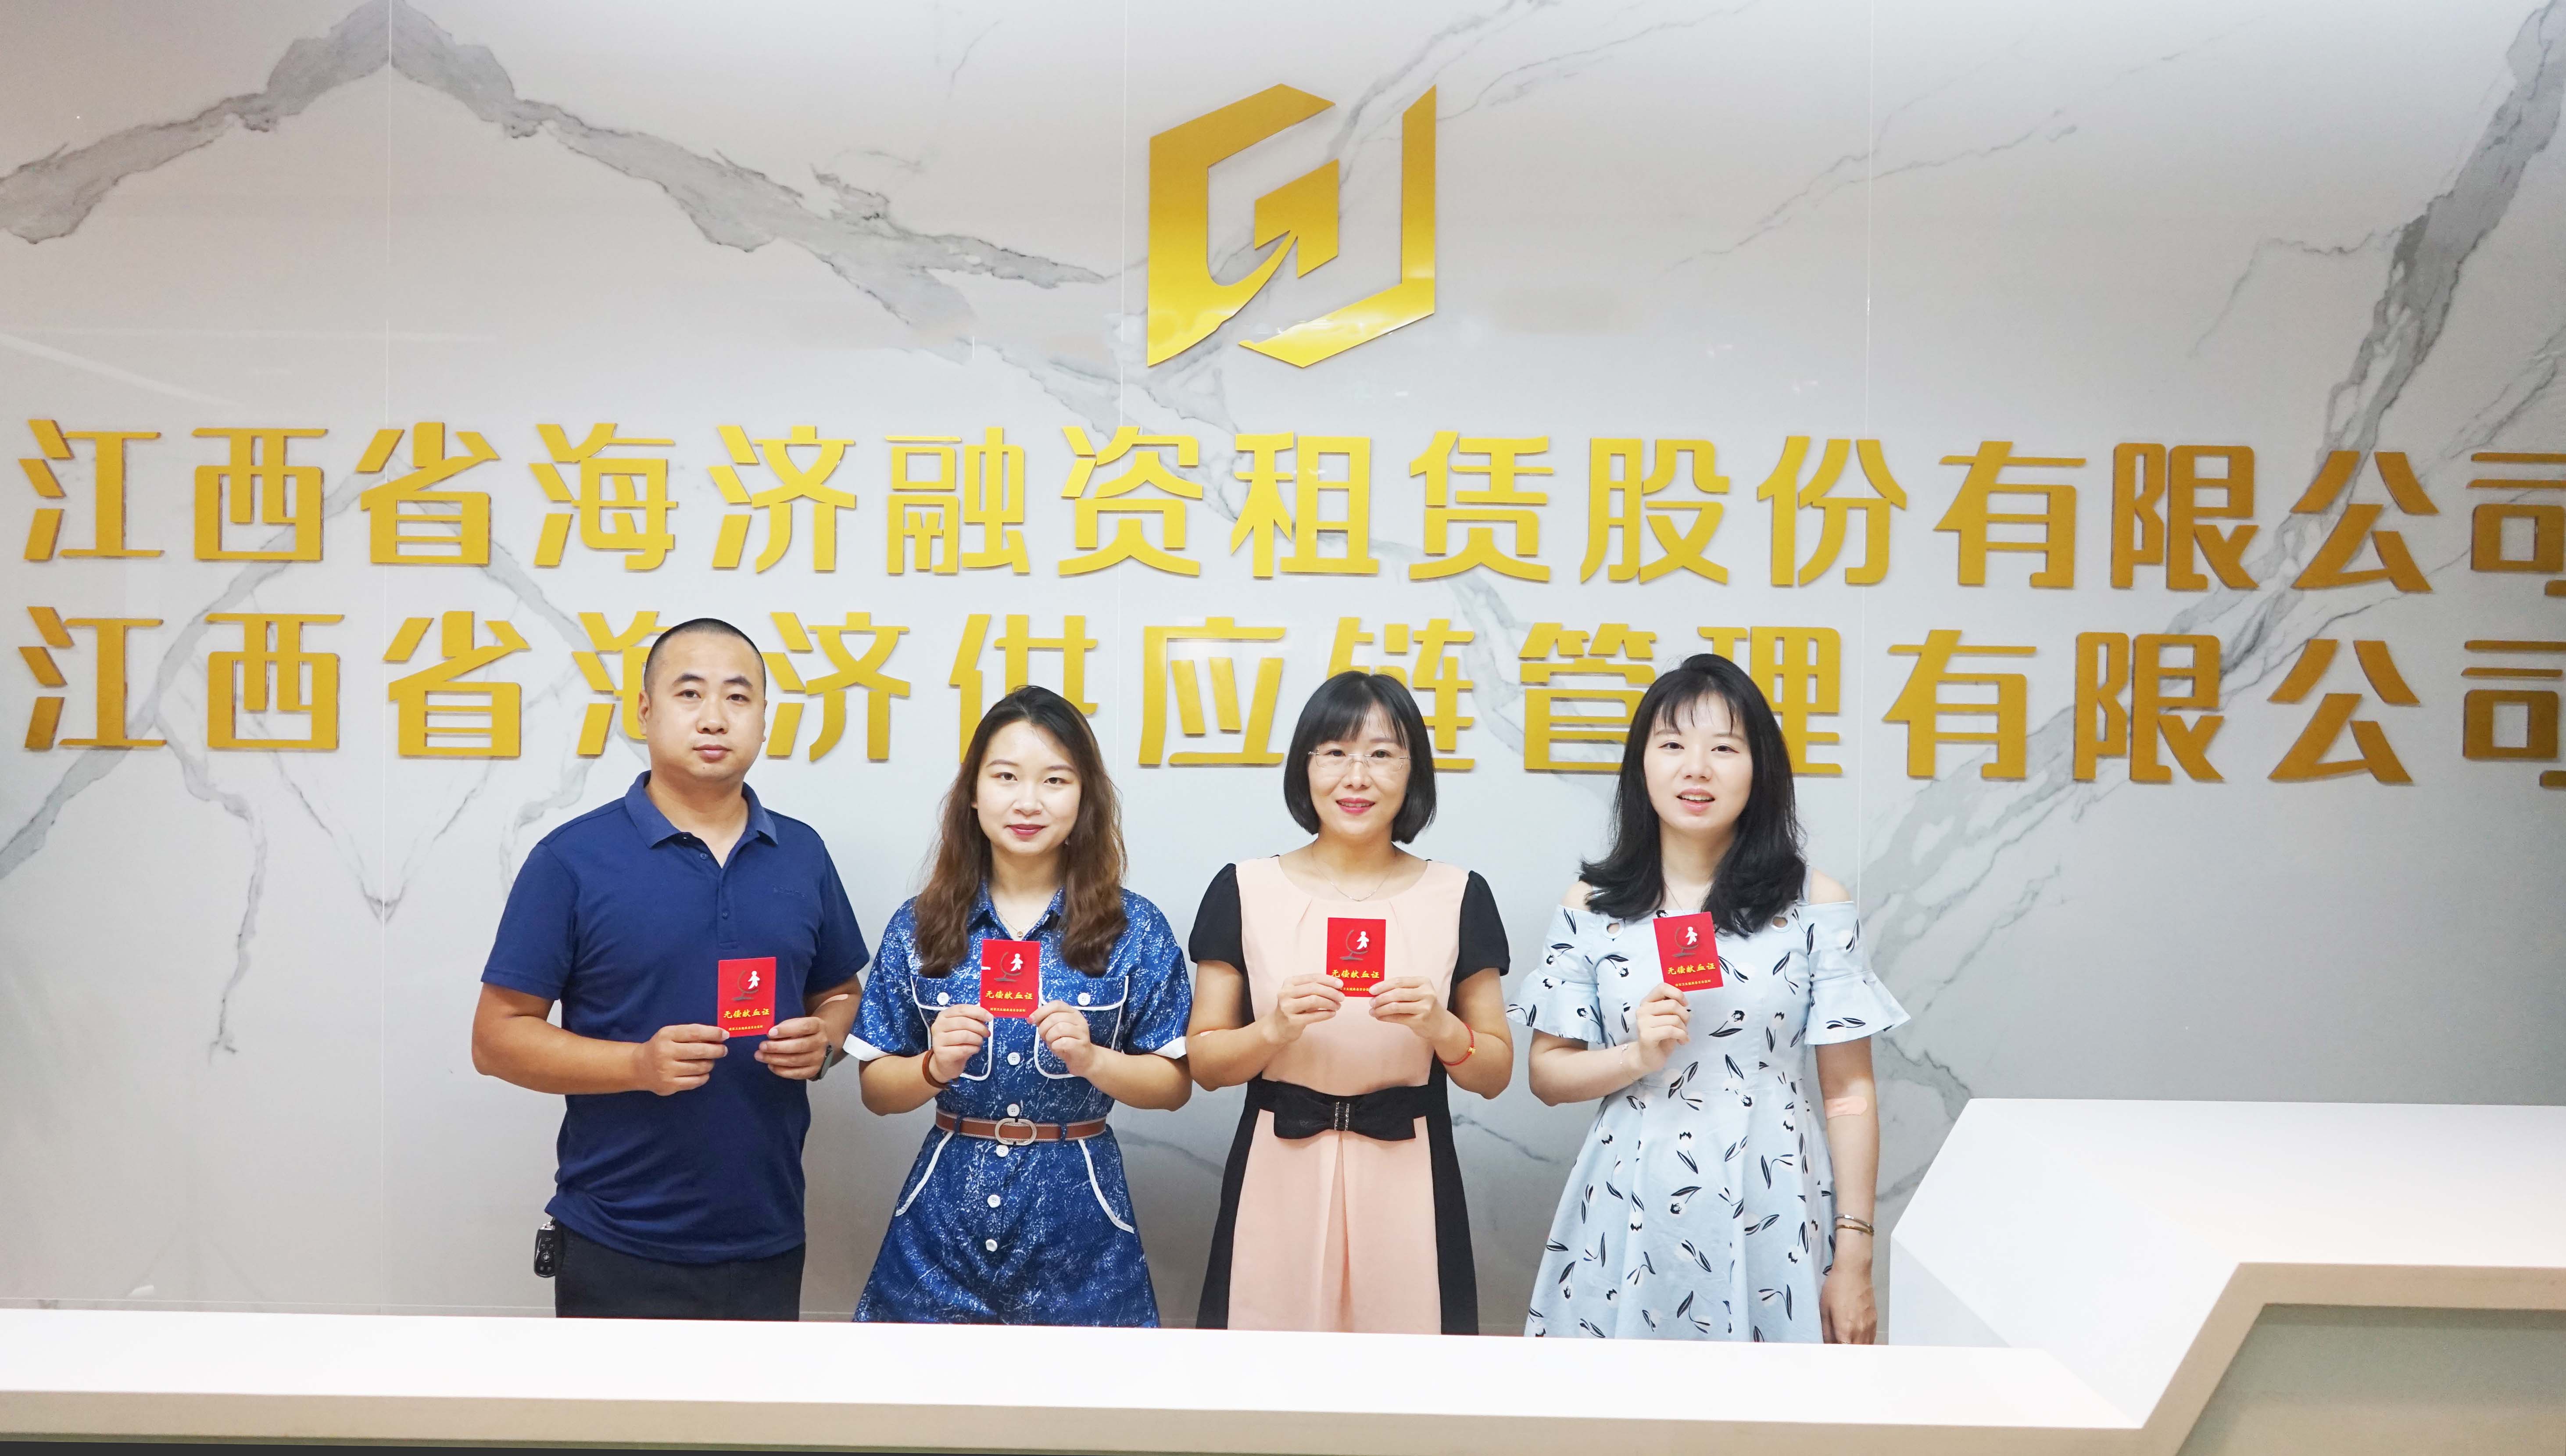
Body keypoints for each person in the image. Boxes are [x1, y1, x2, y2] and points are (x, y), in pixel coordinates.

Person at [472, 617, 868, 1320]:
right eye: (690, 694)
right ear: (645, 711)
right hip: (616, 1239)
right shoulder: (571, 860)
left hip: (768, 1236)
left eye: (738, 697)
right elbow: (496, 1038)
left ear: (764, 718)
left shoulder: (802, 854)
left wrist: (827, 1042)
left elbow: (841, 993)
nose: (714, 718)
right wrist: (636, 1065)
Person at [1511, 653, 1907, 1342]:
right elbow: (1547, 1076)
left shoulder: (1815, 903)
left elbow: (1849, 1091)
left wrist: (1854, 1255)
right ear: (1641, 765)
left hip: (1774, 1199)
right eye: (1671, 745)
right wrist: (1635, 1056)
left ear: (1760, 770)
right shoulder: (1592, 906)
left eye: (1723, 748)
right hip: (1628, 1201)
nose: (1695, 768)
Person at [847, 685, 1191, 1325]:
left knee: (1085, 1387)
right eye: (1005, 777)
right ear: (973, 793)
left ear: (1084, 798)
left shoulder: (1134, 928)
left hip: (1080, 1221)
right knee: (919, 1385)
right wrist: (932, 1067)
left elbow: (1173, 1085)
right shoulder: (919, 926)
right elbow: (876, 1090)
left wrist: (1093, 1060)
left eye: (1055, 780)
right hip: (942, 1220)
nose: (1028, 801)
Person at [1185, 671, 1513, 1334]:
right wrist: (1273, 1029)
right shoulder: (1244, 888)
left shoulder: (1459, 893)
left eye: (1382, 754)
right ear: (1304, 766)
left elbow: (1494, 1074)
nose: (1356, 777)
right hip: (1277, 1163)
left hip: (1411, 1164)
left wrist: (1441, 1027)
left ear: (1413, 771)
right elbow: (1207, 1065)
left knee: (1409, 1372)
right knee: (1262, 1367)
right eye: (1335, 752)